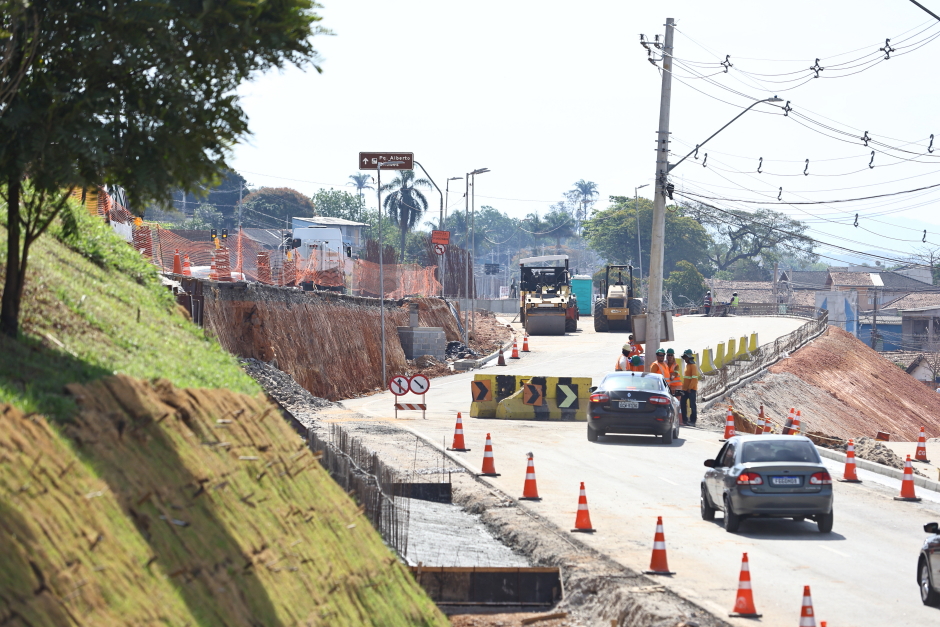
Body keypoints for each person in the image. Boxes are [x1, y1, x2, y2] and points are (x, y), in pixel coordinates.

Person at [681, 349, 700, 426]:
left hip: (691, 390)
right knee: (682, 404)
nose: (685, 359)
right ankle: (684, 420)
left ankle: (693, 421)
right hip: (685, 389)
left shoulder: (693, 366)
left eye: (686, 357)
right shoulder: (687, 365)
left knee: (692, 405)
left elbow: (694, 378)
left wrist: (690, 387)